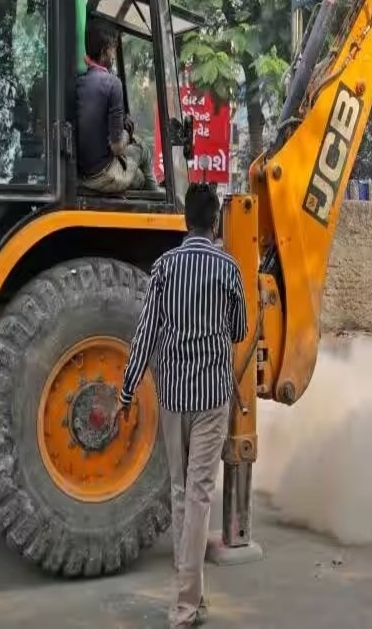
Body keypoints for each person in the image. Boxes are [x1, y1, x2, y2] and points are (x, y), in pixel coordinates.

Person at [118, 182, 247, 628]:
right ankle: (185, 607)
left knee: (180, 493)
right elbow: (239, 328)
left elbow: (146, 333)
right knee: (198, 496)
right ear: (215, 222)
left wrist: (127, 389)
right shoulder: (227, 268)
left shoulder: (163, 268)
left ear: (183, 220)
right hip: (212, 398)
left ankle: (192, 596)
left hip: (172, 397)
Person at [76, 21, 158, 193]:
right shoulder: (113, 84)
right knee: (143, 152)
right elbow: (117, 147)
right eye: (113, 50)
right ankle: (159, 201)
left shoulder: (79, 82)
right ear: (105, 51)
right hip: (103, 176)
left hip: (83, 173)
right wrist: (127, 132)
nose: (113, 56)